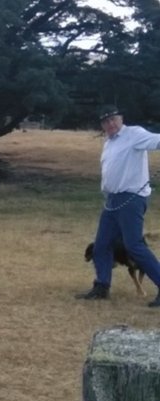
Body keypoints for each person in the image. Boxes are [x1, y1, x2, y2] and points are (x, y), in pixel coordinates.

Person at [76, 105, 160, 307]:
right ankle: (101, 287)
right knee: (101, 246)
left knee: (134, 246)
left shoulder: (135, 134)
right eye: (105, 122)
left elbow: (157, 141)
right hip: (112, 201)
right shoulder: (109, 143)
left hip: (131, 199)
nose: (110, 124)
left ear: (121, 118)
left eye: (113, 119)